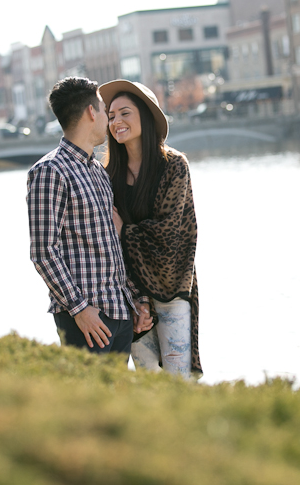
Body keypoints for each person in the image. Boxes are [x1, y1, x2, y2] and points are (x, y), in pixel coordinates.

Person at [26, 76, 147, 357]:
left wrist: (137, 301)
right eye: (105, 110)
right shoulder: (50, 171)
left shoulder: (97, 172)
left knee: (117, 399)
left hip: (120, 313)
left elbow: (112, 246)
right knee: (89, 399)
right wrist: (80, 309)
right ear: (92, 113)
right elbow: (43, 252)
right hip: (85, 319)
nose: (108, 118)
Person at [98, 79, 202, 377]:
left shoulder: (173, 166)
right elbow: (105, 244)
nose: (116, 121)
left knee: (177, 380)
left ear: (145, 115)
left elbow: (168, 237)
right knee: (148, 381)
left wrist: (123, 231)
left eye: (125, 113)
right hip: (131, 295)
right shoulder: (107, 176)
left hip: (172, 291)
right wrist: (136, 298)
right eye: (111, 115)